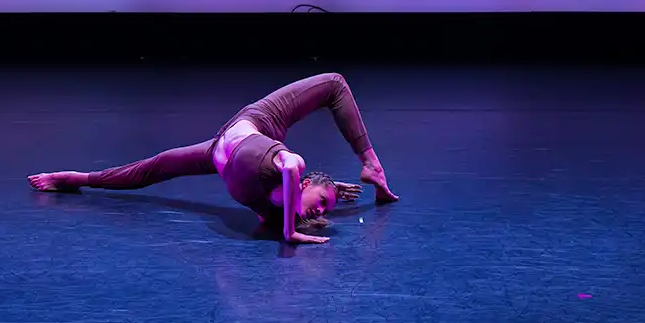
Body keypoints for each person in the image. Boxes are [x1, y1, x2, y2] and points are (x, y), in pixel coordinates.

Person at [28, 73, 398, 245]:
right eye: (322, 202)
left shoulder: (271, 211)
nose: (322, 211)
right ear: (303, 184)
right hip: (260, 122)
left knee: (153, 168)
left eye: (324, 210)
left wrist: (306, 210)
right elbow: (290, 168)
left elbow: (290, 203)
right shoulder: (288, 165)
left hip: (217, 152)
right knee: (334, 84)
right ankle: (373, 165)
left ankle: (75, 178)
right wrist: (291, 230)